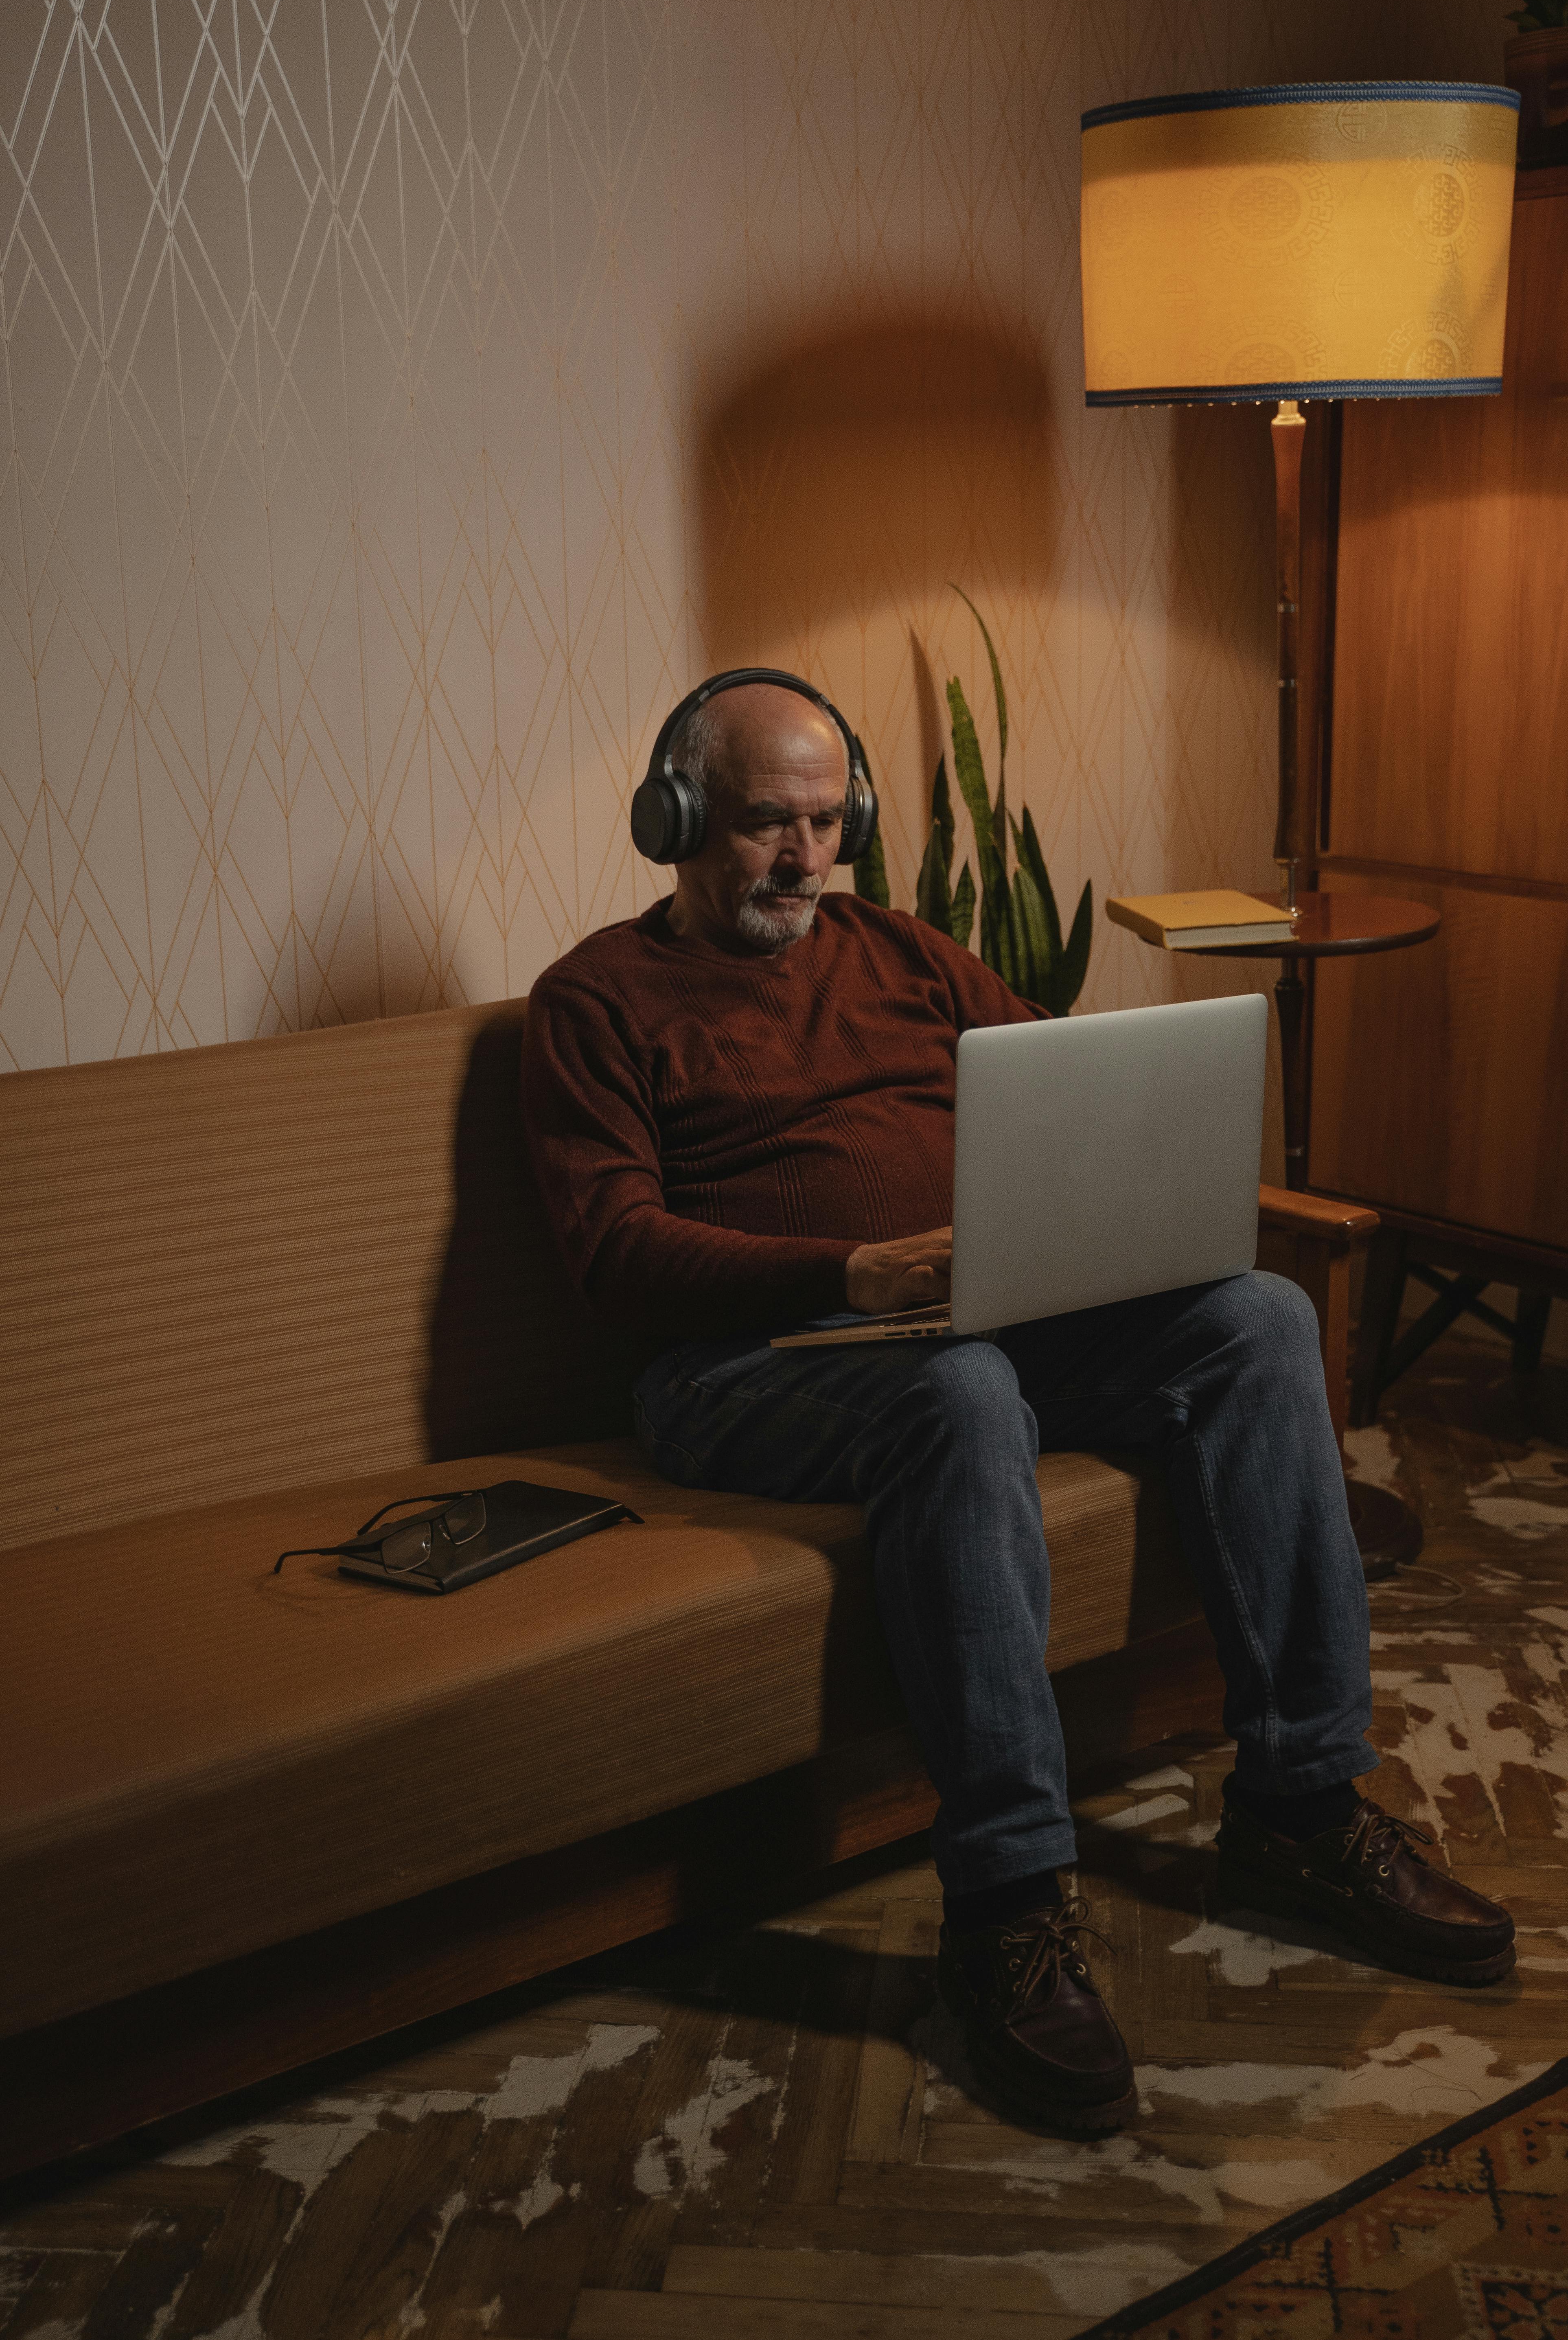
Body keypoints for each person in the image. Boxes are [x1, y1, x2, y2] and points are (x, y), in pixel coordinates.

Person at [521, 674, 1514, 2135]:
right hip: (747, 1365)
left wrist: (1099, 1220)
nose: (801, 859)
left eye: (822, 822)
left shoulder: (900, 951)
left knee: (1258, 1317)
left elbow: (1062, 1095)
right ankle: (1004, 1910)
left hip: (957, 1318)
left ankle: (1298, 1814)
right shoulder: (594, 1002)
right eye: (759, 826)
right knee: (962, 1390)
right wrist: (844, 1271)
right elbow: (611, 1251)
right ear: (670, 821)